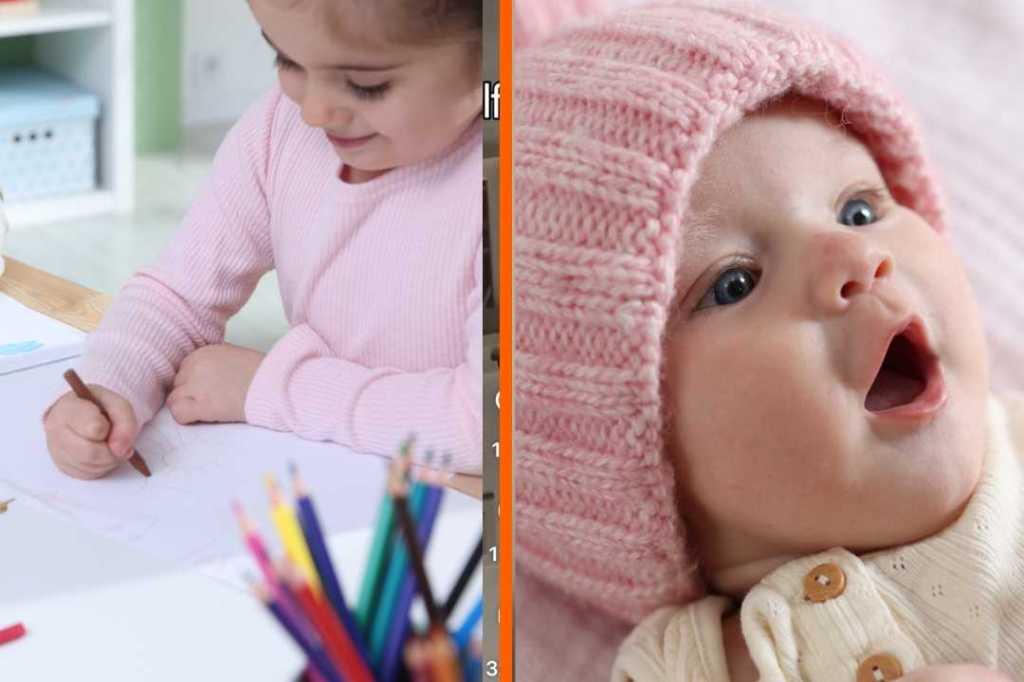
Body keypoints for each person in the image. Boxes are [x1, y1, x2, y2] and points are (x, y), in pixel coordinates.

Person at [513, 1, 1022, 680]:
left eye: (860, 209)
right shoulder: (689, 666)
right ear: (632, 461)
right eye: (736, 283)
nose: (853, 258)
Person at [43, 0, 483, 480]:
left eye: (365, 85)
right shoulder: (279, 127)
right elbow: (178, 297)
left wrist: (274, 387)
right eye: (288, 60)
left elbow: (491, 424)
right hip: (329, 481)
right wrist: (112, 382)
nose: (314, 112)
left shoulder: (525, 190)